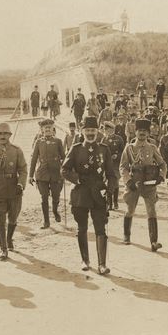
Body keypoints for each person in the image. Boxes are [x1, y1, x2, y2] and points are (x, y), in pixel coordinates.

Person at [61, 116, 117, 274]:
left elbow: (111, 174)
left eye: (93, 130)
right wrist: (77, 178)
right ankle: (85, 260)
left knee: (101, 228)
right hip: (80, 194)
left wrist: (109, 190)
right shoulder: (76, 149)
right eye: (87, 130)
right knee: (82, 228)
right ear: (82, 131)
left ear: (98, 131)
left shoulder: (104, 149)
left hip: (98, 194)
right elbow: (64, 170)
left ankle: (102, 265)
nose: (90, 133)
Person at [120, 118, 167, 251]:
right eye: (139, 130)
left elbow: (162, 164)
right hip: (134, 183)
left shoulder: (152, 148)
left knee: (151, 210)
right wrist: (128, 181)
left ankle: (154, 241)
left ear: (148, 133)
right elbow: (123, 167)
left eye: (145, 131)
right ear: (135, 132)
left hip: (149, 184)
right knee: (130, 209)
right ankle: (126, 235)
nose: (142, 133)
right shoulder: (129, 148)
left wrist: (161, 176)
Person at [0, 122, 27, 260]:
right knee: (0, 221)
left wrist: (21, 184)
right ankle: (3, 249)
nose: (2, 136)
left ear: (9, 135)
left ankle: (9, 239)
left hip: (14, 190)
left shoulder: (17, 150)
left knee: (13, 218)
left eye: (5, 133)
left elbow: (23, 169)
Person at [29, 119, 64, 229]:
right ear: (42, 130)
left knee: (56, 197)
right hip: (42, 174)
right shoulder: (38, 142)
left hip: (56, 174)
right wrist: (30, 175)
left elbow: (64, 158)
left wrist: (65, 170)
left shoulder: (58, 141)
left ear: (53, 129)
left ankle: (55, 211)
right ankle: (46, 221)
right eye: (45, 127)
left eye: (50, 127)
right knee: (44, 198)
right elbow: (34, 159)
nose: (48, 129)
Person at [101, 121, 125, 210]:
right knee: (109, 183)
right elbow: (101, 152)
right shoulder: (104, 139)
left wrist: (117, 156)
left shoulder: (119, 139)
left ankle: (114, 202)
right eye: (105, 130)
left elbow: (123, 152)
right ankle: (110, 203)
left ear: (112, 129)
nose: (105, 131)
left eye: (107, 129)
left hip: (116, 165)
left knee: (114, 183)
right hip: (107, 165)